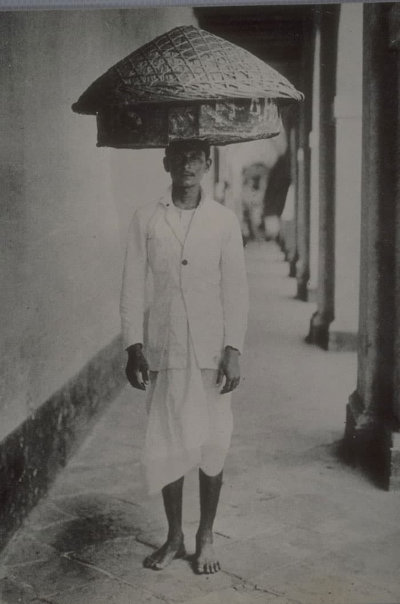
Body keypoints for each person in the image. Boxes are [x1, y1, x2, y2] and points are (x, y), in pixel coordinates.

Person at [120, 138, 248, 574]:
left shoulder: (224, 221)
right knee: (169, 440)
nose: (187, 165)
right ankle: (174, 536)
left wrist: (234, 348)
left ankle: (205, 534)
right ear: (166, 163)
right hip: (166, 345)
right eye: (180, 157)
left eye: (196, 158)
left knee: (214, 440)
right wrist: (133, 345)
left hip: (211, 348)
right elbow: (132, 284)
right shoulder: (148, 219)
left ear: (208, 164)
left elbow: (236, 288)